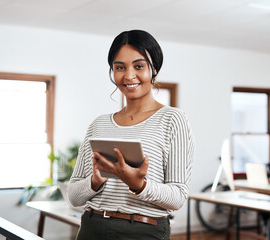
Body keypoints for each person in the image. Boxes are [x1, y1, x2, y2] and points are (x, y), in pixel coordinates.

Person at [67, 30, 195, 240]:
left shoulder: (173, 119)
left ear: (154, 68)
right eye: (119, 67)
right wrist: (95, 181)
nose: (128, 75)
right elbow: (73, 196)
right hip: (92, 228)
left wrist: (139, 185)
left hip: (143, 231)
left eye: (139, 66)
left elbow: (177, 197)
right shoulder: (98, 125)